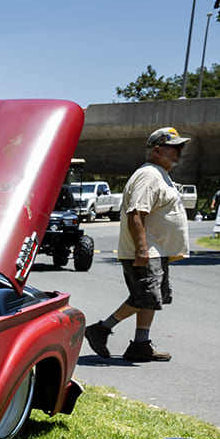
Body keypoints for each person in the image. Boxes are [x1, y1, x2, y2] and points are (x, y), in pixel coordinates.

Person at [84, 127, 191, 363]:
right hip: (146, 250)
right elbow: (136, 214)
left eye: (181, 147)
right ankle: (101, 329)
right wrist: (141, 249)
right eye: (175, 147)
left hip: (157, 250)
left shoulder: (160, 173)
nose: (180, 151)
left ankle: (140, 344)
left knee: (153, 296)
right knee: (145, 297)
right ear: (157, 149)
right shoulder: (149, 175)